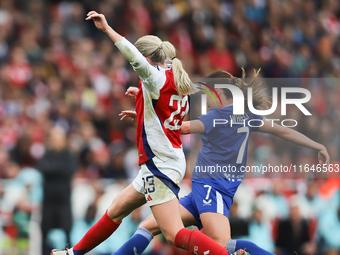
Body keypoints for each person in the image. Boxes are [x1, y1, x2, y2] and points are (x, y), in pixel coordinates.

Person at [52, 11, 237, 255]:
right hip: (163, 161)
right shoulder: (175, 78)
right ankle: (74, 253)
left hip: (159, 165)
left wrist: (107, 29)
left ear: (149, 58)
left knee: (174, 234)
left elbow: (133, 56)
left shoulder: (155, 77)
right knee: (115, 210)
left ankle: (225, 254)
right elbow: (167, 116)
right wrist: (142, 109)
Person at [117, 70, 330, 255]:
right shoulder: (248, 115)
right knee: (149, 226)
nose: (206, 99)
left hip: (213, 188)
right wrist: (317, 146)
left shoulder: (217, 115)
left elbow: (181, 128)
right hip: (210, 189)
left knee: (222, 246)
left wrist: (146, 111)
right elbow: (283, 130)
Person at [36, 126, 78, 254]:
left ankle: (69, 253)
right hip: (49, 201)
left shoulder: (68, 155)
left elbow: (69, 169)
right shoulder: (47, 154)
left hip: (63, 201)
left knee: (67, 232)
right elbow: (42, 168)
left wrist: (52, 168)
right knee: (45, 231)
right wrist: (57, 169)